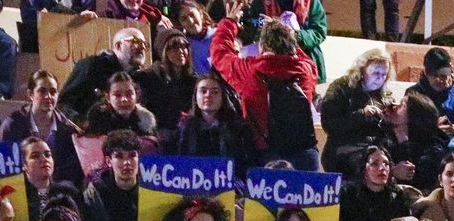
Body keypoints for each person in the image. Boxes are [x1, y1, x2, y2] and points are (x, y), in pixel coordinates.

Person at [212, 0, 319, 168]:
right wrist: (282, 31)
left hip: (266, 155)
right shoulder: (306, 69)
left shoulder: (250, 70)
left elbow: (220, 54)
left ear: (262, 45)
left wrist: (229, 23)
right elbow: (300, 55)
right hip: (305, 152)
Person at [407, 47, 454, 185]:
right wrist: (433, 128)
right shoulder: (414, 94)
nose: (438, 80)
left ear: (450, 70)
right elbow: (408, 128)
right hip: (424, 148)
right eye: (433, 75)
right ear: (426, 73)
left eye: (443, 75)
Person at [318, 48, 392, 176]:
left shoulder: (385, 95)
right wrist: (361, 114)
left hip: (373, 152)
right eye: (375, 73)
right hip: (343, 150)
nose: (380, 78)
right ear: (362, 70)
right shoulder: (342, 87)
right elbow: (330, 124)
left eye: (384, 74)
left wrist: (391, 119)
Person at [81, 129, 143, 221]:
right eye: (119, 157)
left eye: (132, 155)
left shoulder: (149, 189)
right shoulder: (96, 192)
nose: (127, 162)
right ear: (109, 161)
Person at [168, 71, 257, 172]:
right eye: (203, 91)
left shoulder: (239, 127)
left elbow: (248, 163)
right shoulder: (185, 128)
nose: (208, 95)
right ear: (195, 97)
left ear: (222, 97)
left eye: (215, 92)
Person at [60, 25, 147, 120]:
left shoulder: (140, 77)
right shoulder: (93, 66)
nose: (142, 47)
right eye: (135, 41)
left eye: (144, 44)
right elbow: (64, 104)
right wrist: (82, 122)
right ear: (119, 46)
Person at [135, 29, 198, 133]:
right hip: (159, 133)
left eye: (184, 46)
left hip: (186, 133)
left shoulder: (193, 79)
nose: (181, 51)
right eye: (174, 47)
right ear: (163, 51)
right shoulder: (148, 77)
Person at [82, 71, 159, 140]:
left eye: (129, 94)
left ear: (137, 96)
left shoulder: (145, 122)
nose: (124, 99)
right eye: (117, 95)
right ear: (108, 98)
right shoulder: (98, 120)